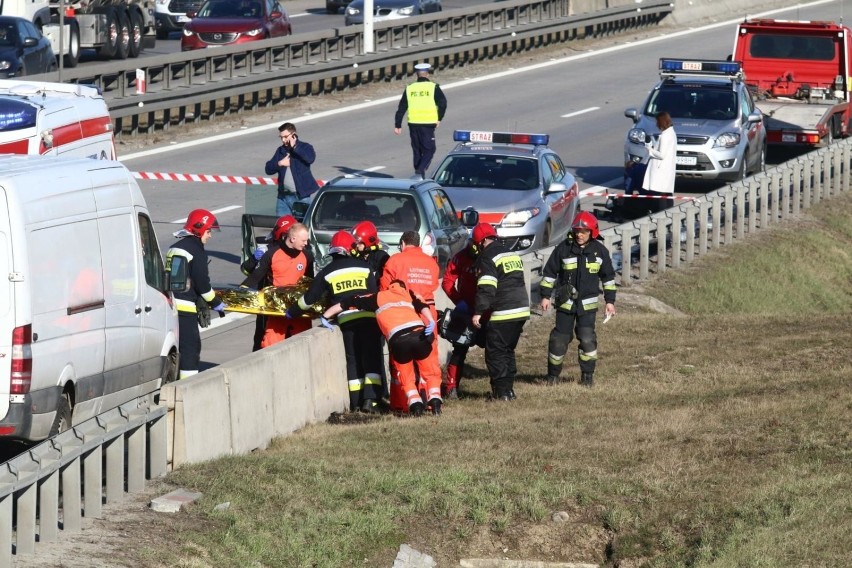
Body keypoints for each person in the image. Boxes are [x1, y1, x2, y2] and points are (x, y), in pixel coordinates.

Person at [287, 230, 384, 413]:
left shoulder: (327, 271)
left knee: (353, 361)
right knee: (371, 359)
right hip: (369, 319)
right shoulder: (364, 267)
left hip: (347, 322)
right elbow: (374, 293)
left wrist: (292, 312)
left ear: (332, 251)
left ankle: (356, 402)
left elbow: (309, 299)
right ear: (350, 249)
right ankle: (371, 401)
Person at [323, 279, 437, 416]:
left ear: (389, 287)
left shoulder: (378, 297)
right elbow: (422, 305)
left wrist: (325, 316)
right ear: (403, 287)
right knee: (431, 372)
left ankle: (415, 404)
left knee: (406, 377)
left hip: (398, 340)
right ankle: (435, 401)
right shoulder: (409, 294)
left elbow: (348, 302)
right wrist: (431, 321)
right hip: (419, 336)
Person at [539, 211, 616, 388]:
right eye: (577, 231)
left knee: (588, 339)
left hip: (587, 308)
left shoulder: (600, 252)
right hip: (565, 305)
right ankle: (553, 377)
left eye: (584, 231)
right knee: (559, 340)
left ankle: (587, 377)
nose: (579, 235)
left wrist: (610, 301)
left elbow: (608, 279)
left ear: (592, 232)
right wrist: (545, 296)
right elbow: (550, 273)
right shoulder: (563, 249)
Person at [379, 231, 442, 414]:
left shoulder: (395, 261)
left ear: (403, 243)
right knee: (429, 358)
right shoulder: (431, 262)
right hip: (428, 312)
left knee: (402, 359)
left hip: (403, 312)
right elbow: (433, 286)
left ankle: (402, 403)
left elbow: (385, 289)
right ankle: (431, 399)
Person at [470, 222, 530, 401]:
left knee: (495, 351)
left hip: (505, 310)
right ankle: (509, 390)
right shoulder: (510, 252)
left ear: (480, 242)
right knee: (507, 350)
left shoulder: (488, 256)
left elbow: (487, 287)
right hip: (521, 308)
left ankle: (502, 393)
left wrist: (479, 312)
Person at [166, 209, 226, 380]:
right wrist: (216, 303)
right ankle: (188, 387)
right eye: (209, 231)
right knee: (190, 349)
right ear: (199, 229)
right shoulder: (196, 250)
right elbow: (202, 283)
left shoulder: (175, 247)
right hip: (185, 308)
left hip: (170, 305)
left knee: (175, 348)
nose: (210, 235)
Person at [241, 220, 314, 349]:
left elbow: (311, 282)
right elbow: (256, 276)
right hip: (277, 311)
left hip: (298, 310)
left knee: (302, 346)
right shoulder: (271, 254)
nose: (306, 244)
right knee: (269, 346)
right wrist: (240, 291)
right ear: (292, 238)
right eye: (304, 241)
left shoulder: (307, 256)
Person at [440, 238, 486, 399]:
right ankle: (451, 387)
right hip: (466, 311)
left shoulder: (491, 255)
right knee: (459, 350)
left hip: (487, 312)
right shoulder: (460, 257)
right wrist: (459, 301)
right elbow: (447, 281)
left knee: (495, 350)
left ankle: (500, 387)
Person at [394, 62, 447, 179]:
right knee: (430, 150)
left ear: (417, 75)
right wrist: (439, 118)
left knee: (417, 150)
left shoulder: (410, 88)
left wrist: (398, 124)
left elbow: (402, 107)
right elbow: (443, 103)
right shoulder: (433, 87)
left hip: (413, 123)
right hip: (428, 124)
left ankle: (419, 176)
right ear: (427, 74)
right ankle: (419, 172)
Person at [265, 122, 320, 216]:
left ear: (293, 134)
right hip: (283, 198)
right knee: (282, 225)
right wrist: (280, 163)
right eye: (281, 137)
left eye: (285, 137)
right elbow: (268, 169)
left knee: (302, 225)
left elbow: (310, 159)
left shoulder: (305, 147)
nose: (283, 140)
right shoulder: (281, 151)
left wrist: (295, 147)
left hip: (301, 197)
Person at [642, 111, 676, 212]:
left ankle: (662, 216)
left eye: (657, 121)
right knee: (666, 193)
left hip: (661, 169)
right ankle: (669, 215)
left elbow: (662, 154)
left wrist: (650, 150)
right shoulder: (671, 133)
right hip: (666, 168)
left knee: (661, 193)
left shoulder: (665, 136)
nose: (656, 124)